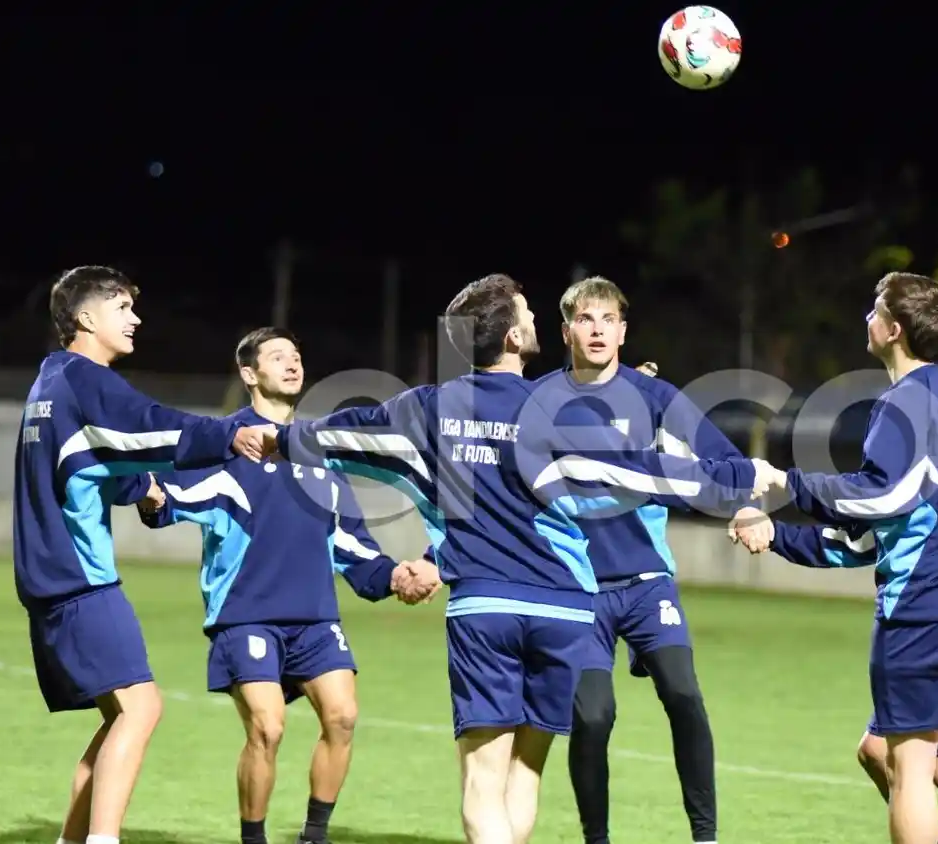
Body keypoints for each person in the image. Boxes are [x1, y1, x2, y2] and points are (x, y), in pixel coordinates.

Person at [262, 273, 773, 844]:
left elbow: (345, 433)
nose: (535, 322)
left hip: (484, 609)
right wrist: (741, 480)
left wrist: (277, 440)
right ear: (510, 338)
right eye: (528, 314)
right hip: (566, 608)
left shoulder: (427, 408)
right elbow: (638, 469)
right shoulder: (560, 408)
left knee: (483, 780)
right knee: (526, 772)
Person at [131, 326, 442, 844]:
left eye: (296, 356)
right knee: (268, 727)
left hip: (315, 618)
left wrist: (395, 575)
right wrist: (150, 495)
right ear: (249, 374)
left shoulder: (317, 450)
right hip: (245, 615)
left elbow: (349, 544)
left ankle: (312, 838)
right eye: (278, 357)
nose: (292, 364)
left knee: (343, 717)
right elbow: (168, 497)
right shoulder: (226, 444)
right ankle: (254, 839)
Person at [750, 272, 938, 844]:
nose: (866, 319)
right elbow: (883, 527)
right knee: (936, 757)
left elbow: (881, 497)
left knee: (912, 770)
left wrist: (788, 486)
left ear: (894, 330)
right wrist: (777, 536)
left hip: (926, 610)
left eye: (875, 309)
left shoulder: (903, 406)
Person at [13, 266, 273, 844]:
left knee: (117, 718)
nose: (136, 319)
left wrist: (142, 488)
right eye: (123, 307)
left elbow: (90, 461)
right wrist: (225, 436)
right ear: (85, 318)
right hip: (79, 579)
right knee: (142, 709)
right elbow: (148, 426)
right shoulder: (86, 379)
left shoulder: (49, 386)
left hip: (51, 577)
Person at [539, 276, 757, 844]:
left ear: (623, 332)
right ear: (566, 331)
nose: (597, 330)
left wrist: (741, 503)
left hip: (644, 583)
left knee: (684, 695)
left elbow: (725, 460)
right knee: (592, 717)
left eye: (608, 320)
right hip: (576, 587)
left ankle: (705, 837)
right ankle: (597, 839)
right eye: (585, 320)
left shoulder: (656, 397)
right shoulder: (538, 401)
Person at [732, 519, 938, 844]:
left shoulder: (915, 470)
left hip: (930, 615)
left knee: (936, 765)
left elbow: (863, 514)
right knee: (884, 751)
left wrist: (782, 495)